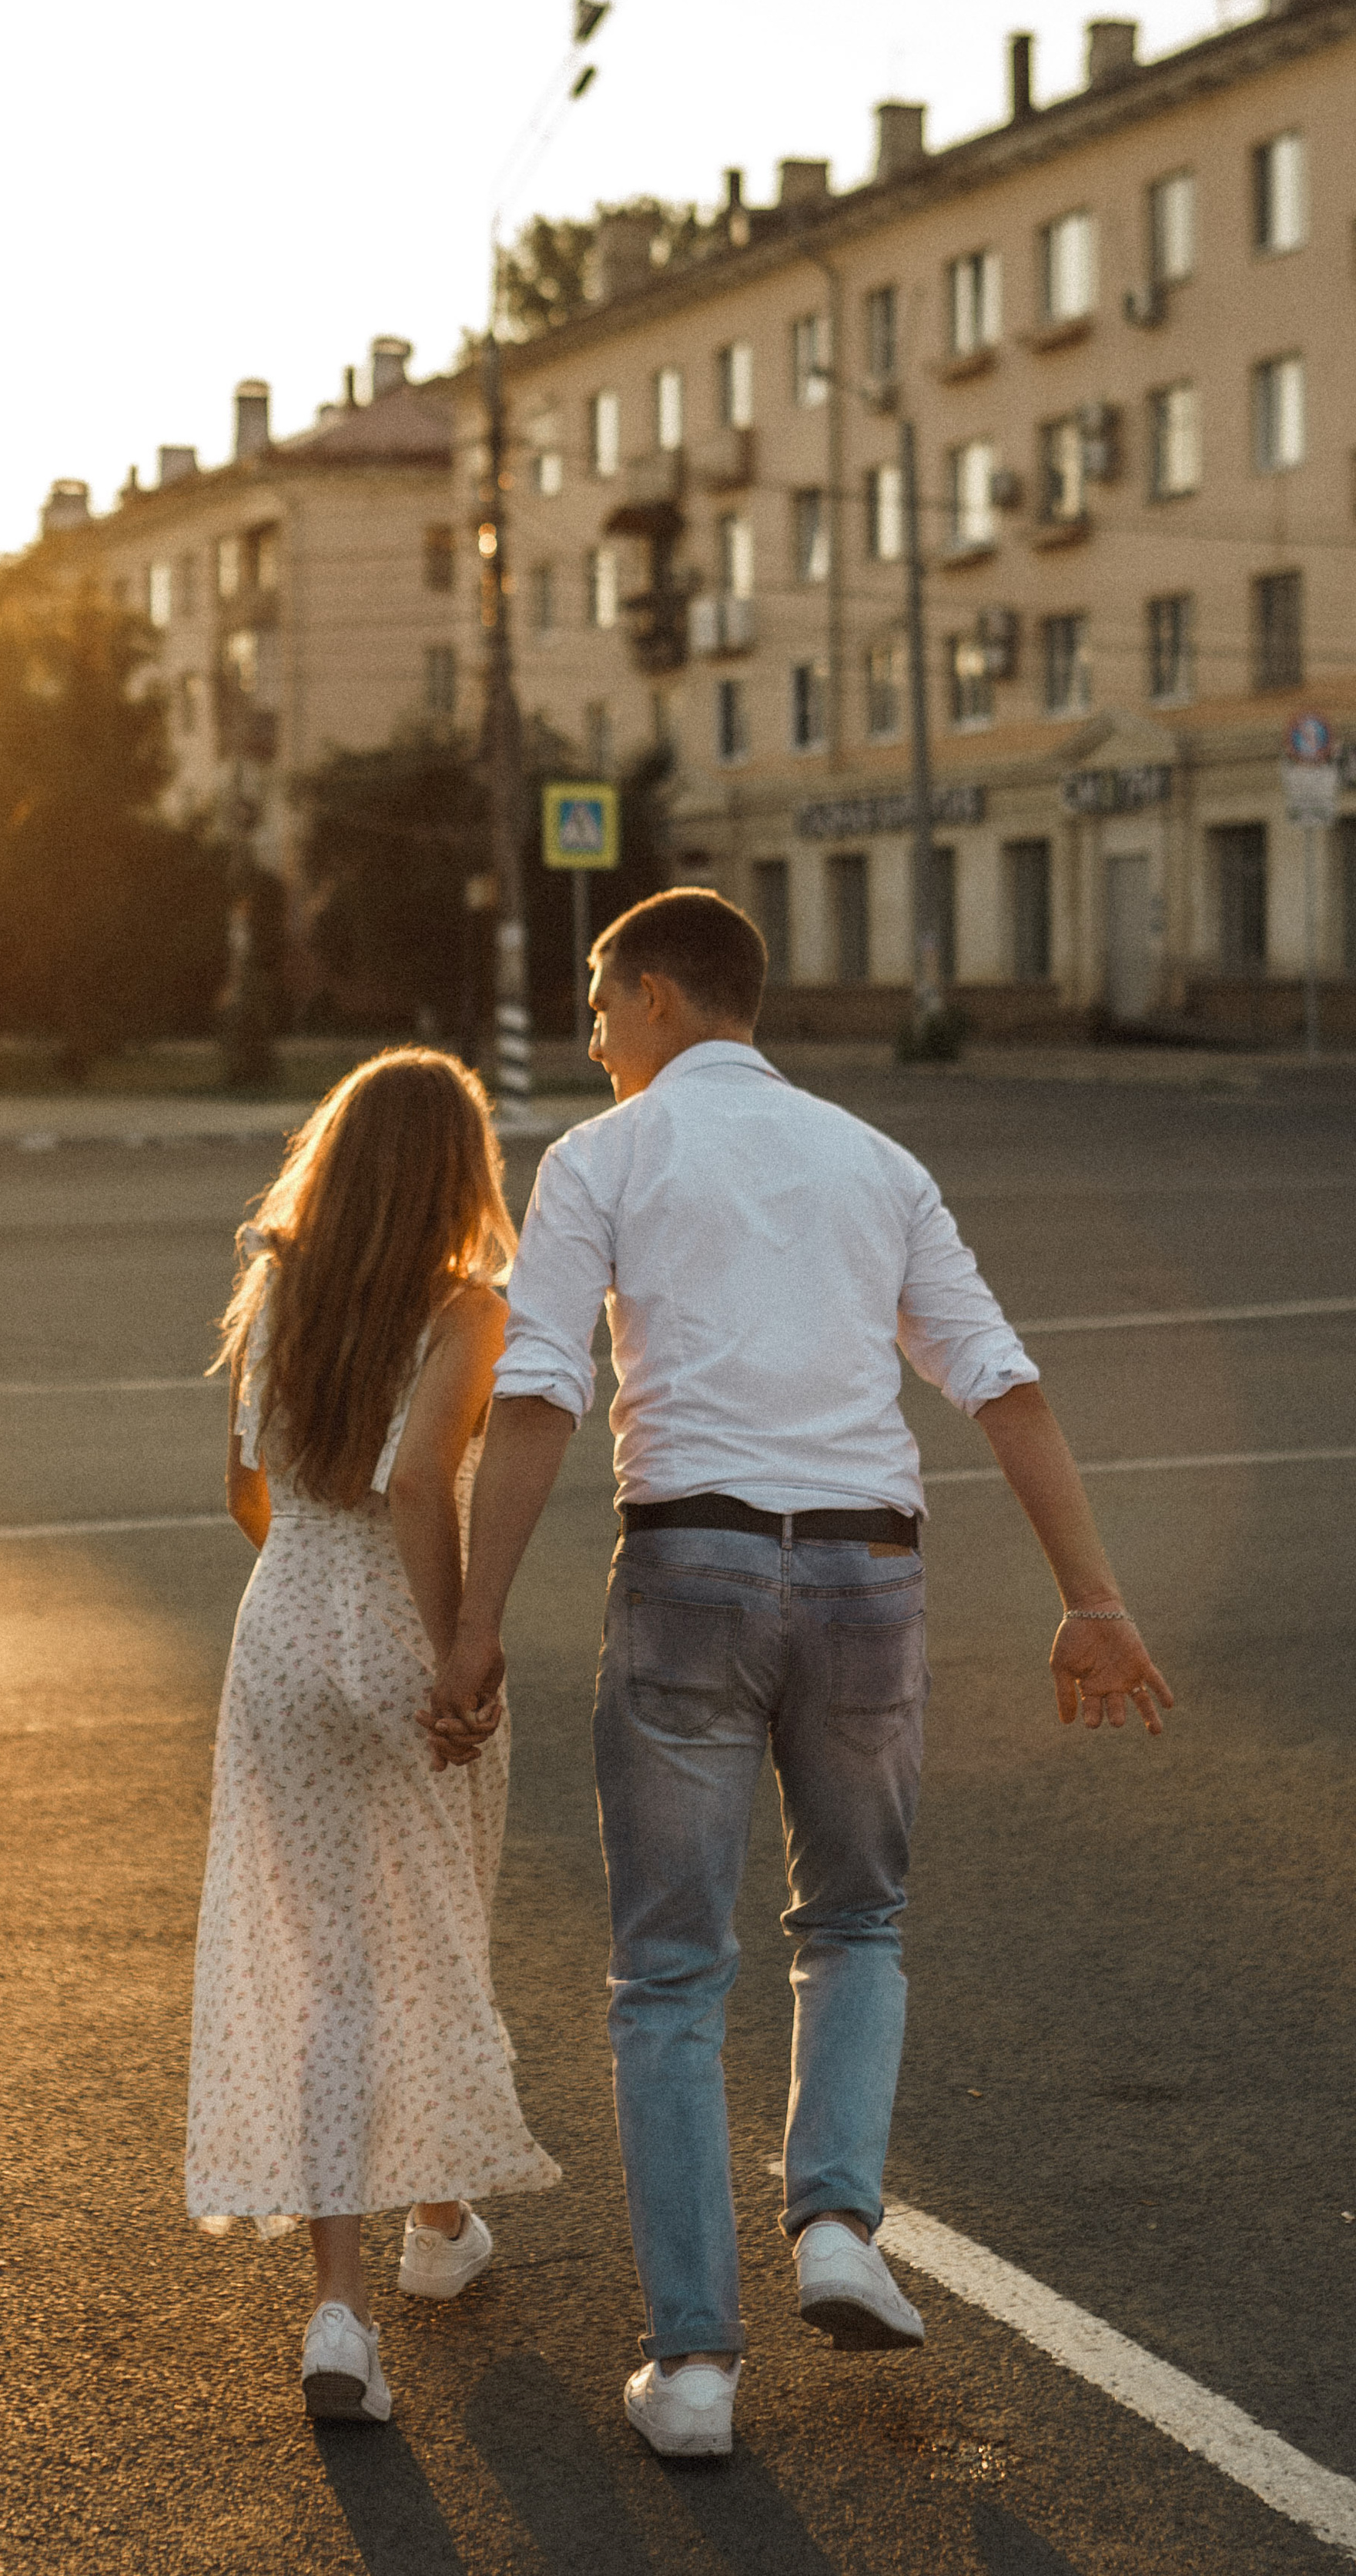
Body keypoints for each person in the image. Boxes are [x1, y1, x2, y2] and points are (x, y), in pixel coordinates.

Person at [425, 890, 1173, 2462]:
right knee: (853, 1921)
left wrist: (475, 1621)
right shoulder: (874, 1164)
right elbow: (1001, 1383)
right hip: (865, 1575)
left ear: (651, 999)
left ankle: (692, 2367)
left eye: (590, 1002)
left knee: (669, 1979)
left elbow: (543, 1394)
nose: (585, 1034)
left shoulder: (603, 1159)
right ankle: (834, 2223)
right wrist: (1088, 1597)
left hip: (689, 1568)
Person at [186, 1048, 560, 2426]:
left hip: (281, 1625)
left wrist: (308, 1588)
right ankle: (433, 2224)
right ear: (460, 1176)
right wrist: (459, 1649)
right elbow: (420, 1484)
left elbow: (244, 1487)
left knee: (333, 1962)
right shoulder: (468, 1310)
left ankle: (346, 2304)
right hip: (405, 1629)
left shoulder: (278, 1289)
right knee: (440, 1924)